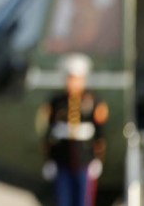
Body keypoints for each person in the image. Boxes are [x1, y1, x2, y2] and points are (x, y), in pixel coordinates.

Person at [42, 53, 109, 206]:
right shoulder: (57, 102)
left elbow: (99, 133)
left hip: (84, 160)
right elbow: (49, 133)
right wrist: (49, 159)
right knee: (62, 200)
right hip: (62, 160)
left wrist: (97, 159)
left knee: (83, 201)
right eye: (70, 78)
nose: (72, 82)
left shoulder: (93, 101)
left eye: (76, 78)